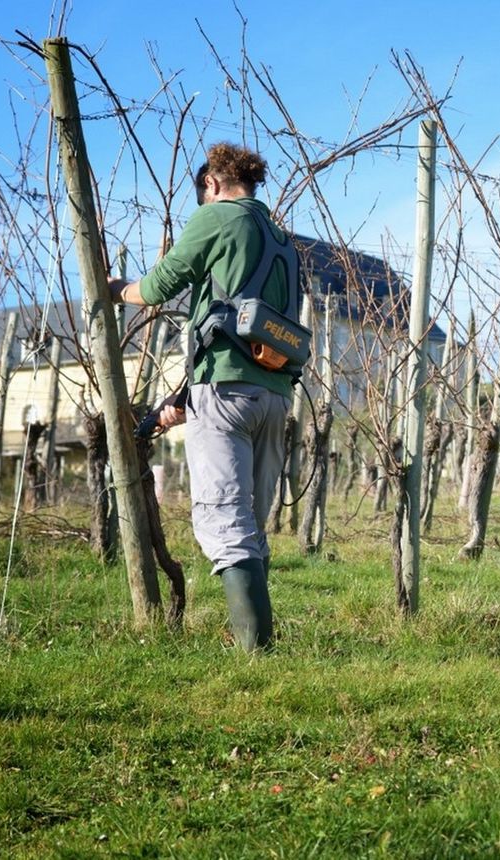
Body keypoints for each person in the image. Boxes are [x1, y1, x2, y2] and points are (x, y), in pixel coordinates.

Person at [109, 142, 301, 654]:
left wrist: (118, 290)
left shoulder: (216, 218)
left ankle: (254, 653)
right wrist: (182, 403)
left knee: (222, 516)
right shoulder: (282, 239)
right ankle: (260, 643)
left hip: (226, 390)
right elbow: (237, 321)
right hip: (275, 394)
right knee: (252, 519)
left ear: (212, 185)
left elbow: (159, 287)